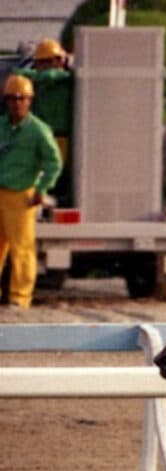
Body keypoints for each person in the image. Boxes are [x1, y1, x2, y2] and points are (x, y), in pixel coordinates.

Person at [0, 74, 62, 309]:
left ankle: (20, 298)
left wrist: (41, 188)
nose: (17, 103)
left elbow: (54, 162)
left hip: (21, 197)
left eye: (21, 98)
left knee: (22, 250)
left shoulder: (38, 130)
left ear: (30, 100)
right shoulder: (1, 126)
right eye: (12, 98)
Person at [14, 38, 74, 205]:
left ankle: (54, 197)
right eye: (39, 62)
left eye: (46, 61)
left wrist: (22, 72)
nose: (42, 66)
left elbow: (47, 76)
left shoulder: (63, 77)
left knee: (54, 168)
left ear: (58, 60)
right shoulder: (40, 81)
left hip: (59, 135)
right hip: (39, 133)